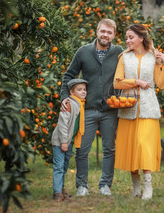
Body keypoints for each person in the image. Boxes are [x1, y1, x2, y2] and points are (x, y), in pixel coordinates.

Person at [60, 19, 123, 196]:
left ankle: (105, 185)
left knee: (109, 149)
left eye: (109, 32)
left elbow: (129, 71)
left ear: (114, 35)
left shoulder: (119, 52)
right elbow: (68, 76)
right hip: (87, 109)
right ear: (97, 31)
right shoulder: (84, 52)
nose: (105, 35)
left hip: (110, 110)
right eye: (103, 31)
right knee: (82, 149)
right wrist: (66, 97)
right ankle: (82, 186)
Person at [113, 24, 164, 200]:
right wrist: (136, 82)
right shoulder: (123, 57)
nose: (127, 40)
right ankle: (136, 186)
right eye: (127, 37)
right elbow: (117, 83)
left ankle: (148, 186)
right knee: (131, 148)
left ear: (141, 38)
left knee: (144, 147)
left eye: (131, 37)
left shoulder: (154, 57)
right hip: (128, 109)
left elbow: (159, 83)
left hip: (148, 108)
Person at [51, 78, 88, 201]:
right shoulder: (68, 104)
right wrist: (63, 142)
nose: (83, 92)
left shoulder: (80, 104)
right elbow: (62, 124)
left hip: (69, 141)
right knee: (59, 166)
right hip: (61, 141)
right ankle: (57, 193)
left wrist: (68, 142)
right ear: (71, 92)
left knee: (64, 167)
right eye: (79, 89)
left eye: (84, 89)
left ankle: (61, 189)